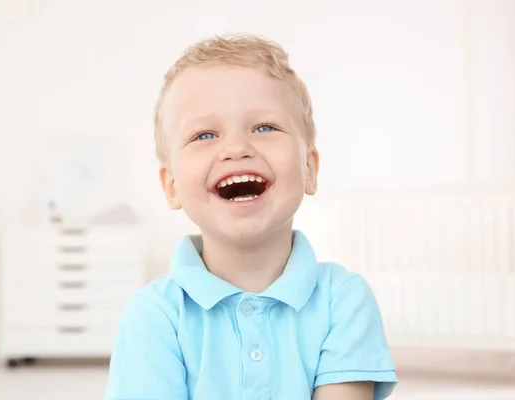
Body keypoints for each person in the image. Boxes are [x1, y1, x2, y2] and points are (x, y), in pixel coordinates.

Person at [105, 33, 397, 400]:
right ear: (172, 185)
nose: (237, 148)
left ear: (309, 167)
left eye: (264, 128)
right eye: (205, 134)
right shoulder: (155, 316)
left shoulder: (343, 300)